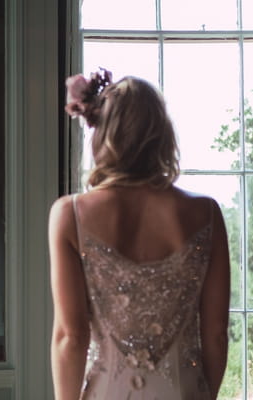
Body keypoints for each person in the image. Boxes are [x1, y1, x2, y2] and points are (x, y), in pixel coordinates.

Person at [49, 69, 230, 399]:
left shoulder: (69, 215)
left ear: (101, 132)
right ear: (162, 133)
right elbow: (216, 334)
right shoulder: (206, 214)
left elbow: (70, 336)